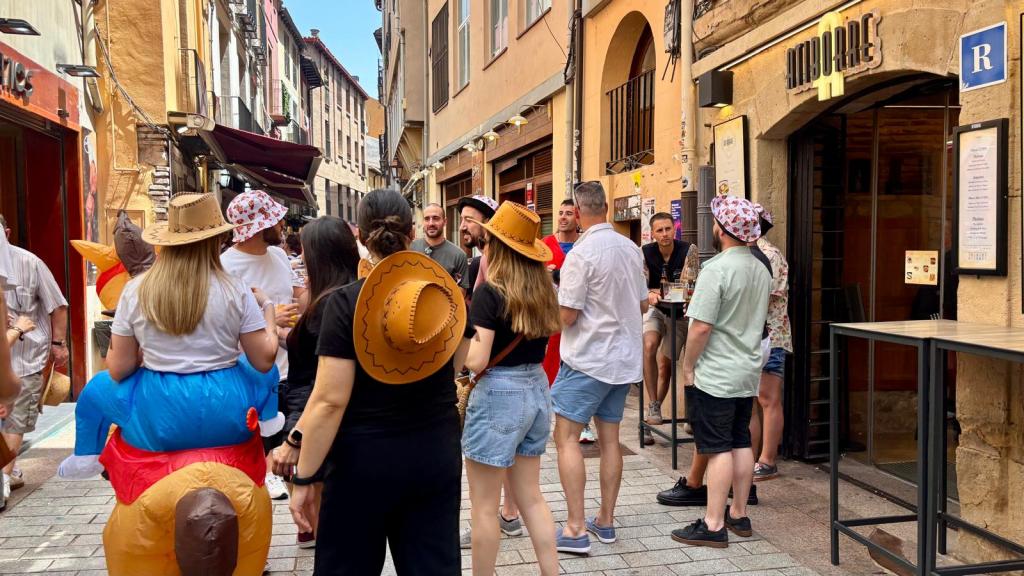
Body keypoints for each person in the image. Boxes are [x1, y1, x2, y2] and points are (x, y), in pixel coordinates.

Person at [288, 189, 466, 575]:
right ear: (412, 231)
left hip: (360, 461)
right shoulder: (443, 296)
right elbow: (456, 368)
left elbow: (329, 401)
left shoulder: (345, 303)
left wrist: (304, 476)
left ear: (362, 236)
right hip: (433, 451)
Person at [462, 202, 560, 576]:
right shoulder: (544, 289)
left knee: (484, 507)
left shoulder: (490, 294)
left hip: (499, 393)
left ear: (497, 247)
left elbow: (476, 360)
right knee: (532, 497)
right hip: (536, 386)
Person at [551, 181, 648, 554]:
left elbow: (569, 314)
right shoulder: (630, 248)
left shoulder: (580, 253)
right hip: (622, 360)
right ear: (605, 207)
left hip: (588, 359)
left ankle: (575, 528)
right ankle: (605, 520)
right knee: (610, 442)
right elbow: (642, 304)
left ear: (576, 213)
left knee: (566, 439)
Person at [670, 195, 771, 549]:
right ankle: (739, 514)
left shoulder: (717, 269)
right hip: (746, 368)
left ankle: (713, 524)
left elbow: (700, 327)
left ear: (723, 229)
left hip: (717, 372)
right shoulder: (760, 267)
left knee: (716, 448)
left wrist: (688, 366)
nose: (713, 226)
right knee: (741, 440)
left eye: (715, 221)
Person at [269, 217, 359, 549]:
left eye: (306, 250)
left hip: (316, 423)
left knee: (328, 532)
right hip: (326, 422)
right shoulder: (346, 298)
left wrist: (295, 440)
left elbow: (321, 389)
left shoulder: (329, 306)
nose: (300, 256)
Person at [221, 190, 303, 500]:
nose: (282, 223)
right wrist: (269, 315)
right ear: (259, 226)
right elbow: (223, 325)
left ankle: (304, 521)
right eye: (274, 219)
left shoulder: (280, 256)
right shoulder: (225, 266)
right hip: (250, 376)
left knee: (292, 450)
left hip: (289, 371)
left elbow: (298, 295)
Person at [455, 193, 523, 544]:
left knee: (489, 459)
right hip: (524, 379)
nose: (463, 225)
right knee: (512, 456)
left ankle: (497, 518)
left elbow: (482, 336)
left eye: (469, 218)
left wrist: (464, 354)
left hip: (496, 374)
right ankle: (510, 514)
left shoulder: (490, 264)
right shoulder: (498, 263)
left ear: (489, 224)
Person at [0, 214, 69, 492]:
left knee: (15, 421)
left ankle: (3, 477)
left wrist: (58, 344)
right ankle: (8, 471)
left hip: (25, 360)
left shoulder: (31, 263)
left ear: (7, 231)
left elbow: (58, 305)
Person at [541, 200, 596, 445]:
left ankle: (582, 422)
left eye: (567, 213)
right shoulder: (544, 246)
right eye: (559, 213)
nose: (562, 218)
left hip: (581, 316)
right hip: (551, 315)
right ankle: (548, 419)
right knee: (550, 365)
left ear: (577, 217)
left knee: (579, 367)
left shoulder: (585, 246)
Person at [640, 213, 698, 445]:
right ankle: (653, 404)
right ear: (652, 233)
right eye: (659, 230)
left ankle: (654, 411)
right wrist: (652, 293)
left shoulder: (688, 250)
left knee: (666, 364)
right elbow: (641, 285)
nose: (664, 234)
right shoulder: (645, 252)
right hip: (656, 310)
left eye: (667, 229)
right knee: (649, 345)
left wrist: (656, 290)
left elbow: (688, 285)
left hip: (679, 314)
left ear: (674, 229)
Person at [412, 203, 468, 285]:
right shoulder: (410, 248)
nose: (431, 223)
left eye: (436, 218)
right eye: (427, 219)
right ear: (423, 222)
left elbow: (461, 292)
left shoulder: (458, 256)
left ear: (445, 222)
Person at [458, 195, 499, 301]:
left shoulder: (500, 262)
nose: (462, 227)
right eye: (462, 220)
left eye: (469, 220)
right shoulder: (476, 264)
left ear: (487, 222)